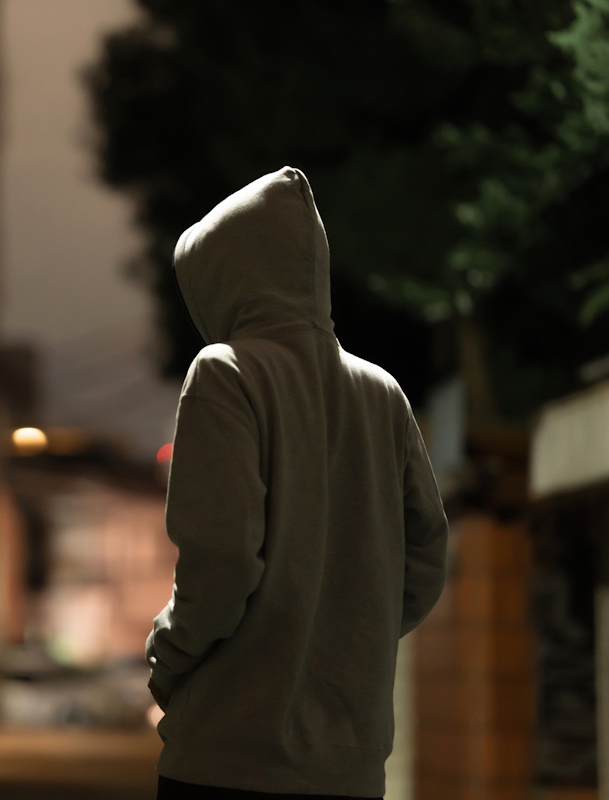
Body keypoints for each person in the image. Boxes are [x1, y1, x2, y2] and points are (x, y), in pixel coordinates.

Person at [146, 167, 449, 800]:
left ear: (224, 275)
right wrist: (344, 634)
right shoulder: (382, 392)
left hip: (226, 761)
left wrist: (168, 658)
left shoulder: (225, 372)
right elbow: (425, 559)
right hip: (350, 772)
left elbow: (222, 561)